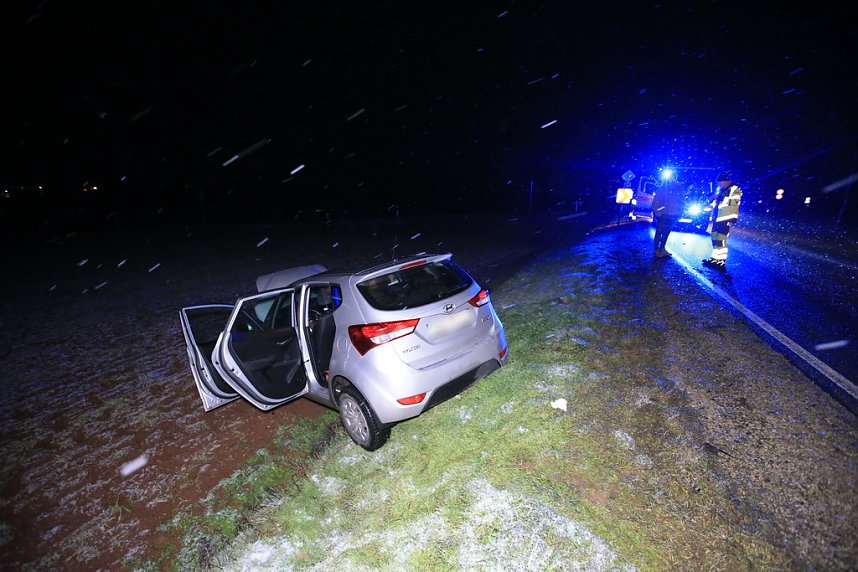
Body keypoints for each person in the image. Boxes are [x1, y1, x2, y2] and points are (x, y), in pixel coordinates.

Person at [703, 172, 743, 270]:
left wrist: (718, 197)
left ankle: (721, 261)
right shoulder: (723, 190)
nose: (719, 185)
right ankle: (715, 258)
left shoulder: (735, 189)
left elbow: (733, 202)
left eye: (720, 183)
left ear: (725, 181)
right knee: (715, 238)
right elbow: (717, 203)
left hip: (726, 218)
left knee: (721, 240)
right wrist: (710, 206)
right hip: (718, 218)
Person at [651, 178, 685, 257]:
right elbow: (656, 201)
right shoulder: (664, 188)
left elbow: (682, 201)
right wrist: (658, 212)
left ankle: (662, 248)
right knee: (660, 231)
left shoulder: (678, 189)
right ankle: (657, 249)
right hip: (664, 214)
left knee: (666, 231)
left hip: (673, 214)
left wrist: (680, 212)